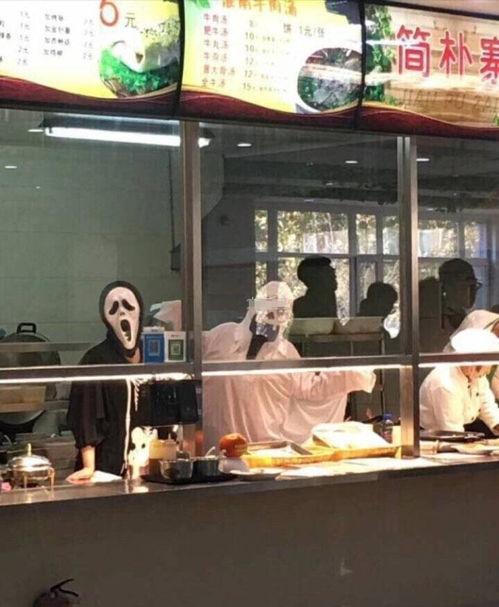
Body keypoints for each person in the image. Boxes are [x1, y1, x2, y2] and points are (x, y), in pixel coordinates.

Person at [203, 281, 375, 446]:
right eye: (268, 311)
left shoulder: (285, 353)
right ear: (255, 309)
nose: (272, 320)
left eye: (279, 313)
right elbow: (191, 352)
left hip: (263, 448)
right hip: (217, 446)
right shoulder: (222, 336)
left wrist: (353, 375)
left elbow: (313, 388)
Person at [67, 281, 152, 481]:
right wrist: (89, 467)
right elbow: (85, 414)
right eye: (114, 308)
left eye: (128, 306)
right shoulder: (96, 360)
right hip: (106, 470)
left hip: (146, 469)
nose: (122, 312)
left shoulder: (152, 353)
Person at [420, 328, 499, 436]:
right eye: (486, 366)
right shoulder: (445, 383)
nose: (488, 371)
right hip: (433, 437)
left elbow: (487, 405)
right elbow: (453, 430)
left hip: (461, 429)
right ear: (471, 363)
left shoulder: (476, 376)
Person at [444, 309, 499, 399]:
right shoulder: (477, 318)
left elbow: (495, 381)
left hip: (478, 383)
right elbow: (453, 351)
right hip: (454, 373)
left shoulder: (482, 381)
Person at [439, 258, 480, 330]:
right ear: (450, 286)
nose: (473, 291)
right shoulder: (435, 319)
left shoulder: (467, 317)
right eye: (469, 285)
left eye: (474, 285)